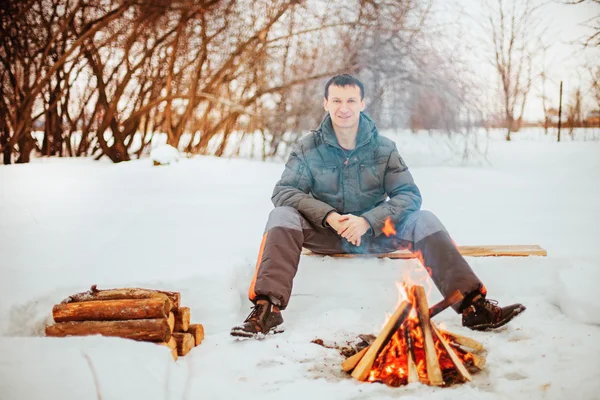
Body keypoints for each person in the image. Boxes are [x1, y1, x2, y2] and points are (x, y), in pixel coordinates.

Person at [230, 74, 525, 338]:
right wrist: (330, 216)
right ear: (325, 104)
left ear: (362, 103)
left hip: (377, 233)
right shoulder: (308, 148)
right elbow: (284, 192)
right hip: (325, 233)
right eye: (336, 100)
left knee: (424, 218)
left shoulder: (384, 148)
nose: (343, 107)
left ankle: (474, 307)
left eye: (350, 100)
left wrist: (367, 221)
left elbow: (408, 195)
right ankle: (267, 310)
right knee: (282, 214)